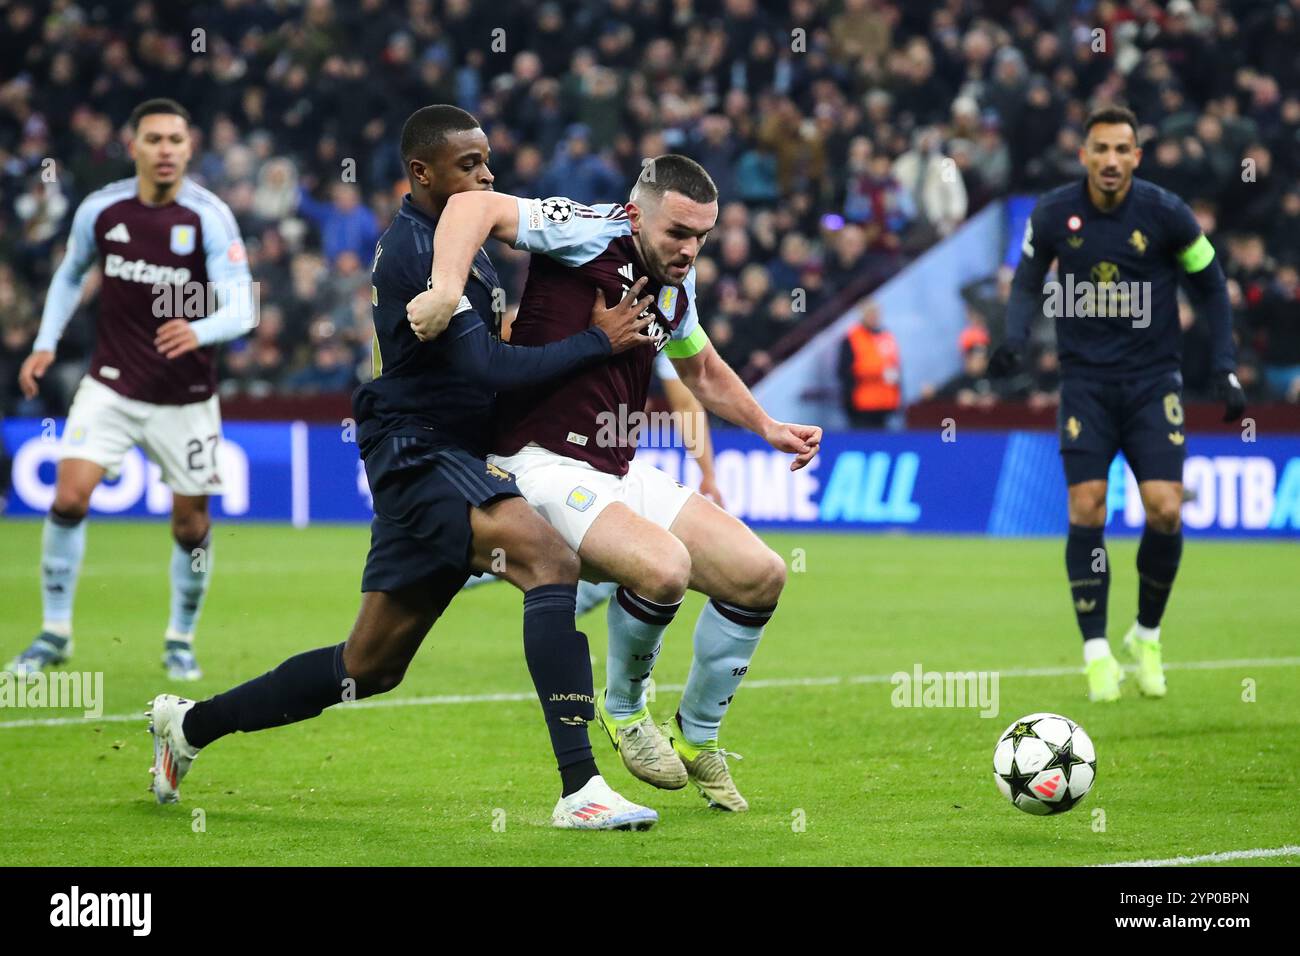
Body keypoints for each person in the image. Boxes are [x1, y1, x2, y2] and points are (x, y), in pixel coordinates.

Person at [145, 105, 661, 831]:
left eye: (487, 161)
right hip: (418, 449)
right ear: (421, 172)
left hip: (444, 453)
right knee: (549, 562)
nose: (486, 175)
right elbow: (483, 363)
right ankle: (581, 788)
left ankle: (190, 726)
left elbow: (480, 356)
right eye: (468, 165)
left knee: (368, 667)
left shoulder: (464, 242)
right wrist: (595, 346)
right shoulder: (415, 249)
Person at [407, 155, 822, 812]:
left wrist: (768, 426)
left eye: (703, 237)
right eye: (678, 233)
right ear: (637, 213)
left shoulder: (675, 291)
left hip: (615, 471)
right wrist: (443, 288)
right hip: (540, 463)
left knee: (761, 574)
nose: (690, 250)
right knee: (664, 568)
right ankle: (626, 711)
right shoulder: (590, 229)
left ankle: (698, 736)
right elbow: (471, 207)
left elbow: (704, 371)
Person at [990, 106, 1245, 703]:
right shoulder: (1054, 212)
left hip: (1154, 382)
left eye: (1121, 150)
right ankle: (1096, 650)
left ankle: (1147, 635)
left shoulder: (1166, 213)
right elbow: (1028, 280)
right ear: (1084, 155)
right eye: (1099, 149)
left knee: (1164, 510)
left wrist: (1225, 365)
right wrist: (1014, 340)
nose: (1110, 160)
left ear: (1137, 156)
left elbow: (1211, 283)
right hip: (1086, 384)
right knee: (1087, 505)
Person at [6, 99, 255, 681]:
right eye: (154, 139)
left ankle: (179, 638)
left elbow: (243, 306)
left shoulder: (209, 217)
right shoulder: (102, 209)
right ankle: (54, 632)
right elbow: (70, 275)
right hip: (111, 385)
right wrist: (45, 341)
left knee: (190, 527)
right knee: (68, 498)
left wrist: (198, 328)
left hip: (186, 397)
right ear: (134, 145)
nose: (165, 149)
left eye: (175, 139)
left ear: (190, 147)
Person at [838, 299, 901, 428]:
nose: (874, 317)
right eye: (870, 313)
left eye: (876, 313)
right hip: (862, 403)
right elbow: (844, 371)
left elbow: (896, 366)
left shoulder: (886, 335)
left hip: (886, 401)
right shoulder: (852, 337)